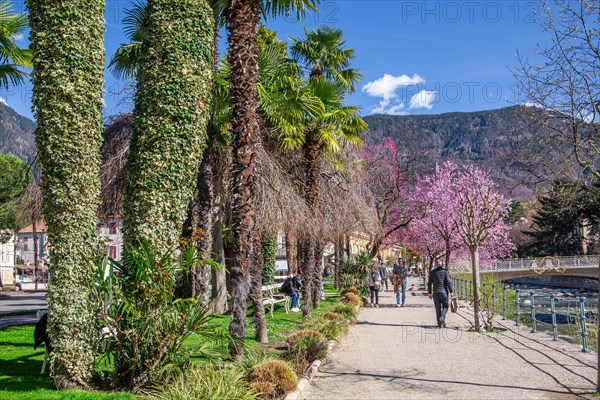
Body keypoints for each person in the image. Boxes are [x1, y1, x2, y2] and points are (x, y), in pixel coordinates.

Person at [427, 260, 453, 327]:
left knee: (437, 308)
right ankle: (442, 317)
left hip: (436, 293)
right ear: (442, 264)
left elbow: (429, 283)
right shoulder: (445, 272)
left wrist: (430, 292)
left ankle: (439, 324)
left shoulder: (432, 272)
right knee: (445, 306)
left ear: (436, 265)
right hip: (444, 292)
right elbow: (449, 282)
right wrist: (451, 291)